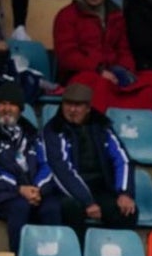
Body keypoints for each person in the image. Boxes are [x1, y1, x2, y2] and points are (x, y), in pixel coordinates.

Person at [0, 80, 61, 254]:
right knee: (20, 206)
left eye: (13, 105)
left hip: (31, 191)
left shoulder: (32, 135)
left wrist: (37, 189)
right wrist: (18, 188)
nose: (7, 109)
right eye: (2, 104)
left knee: (52, 207)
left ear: (20, 110)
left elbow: (48, 164)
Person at [42, 82, 137, 237]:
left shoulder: (101, 126)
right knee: (70, 208)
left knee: (127, 211)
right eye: (68, 104)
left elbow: (122, 159)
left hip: (101, 188)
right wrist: (88, 201)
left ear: (88, 108)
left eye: (77, 105)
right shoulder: (54, 129)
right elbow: (61, 170)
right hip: (69, 192)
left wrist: (125, 193)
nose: (72, 110)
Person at [53, 0, 152, 116]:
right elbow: (67, 56)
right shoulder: (67, 15)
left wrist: (125, 70)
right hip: (80, 75)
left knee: (147, 90)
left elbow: (124, 50)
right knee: (100, 88)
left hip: (113, 73)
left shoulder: (116, 15)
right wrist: (99, 70)